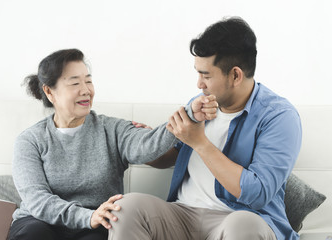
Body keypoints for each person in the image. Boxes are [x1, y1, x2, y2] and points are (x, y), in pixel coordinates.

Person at [108, 17, 302, 240]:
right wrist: (150, 142)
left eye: (206, 75)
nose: (199, 83)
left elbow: (257, 193)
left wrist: (199, 142)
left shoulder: (279, 116)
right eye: (198, 73)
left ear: (236, 75)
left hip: (240, 217)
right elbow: (171, 156)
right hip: (183, 214)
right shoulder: (202, 102)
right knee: (124, 208)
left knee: (243, 225)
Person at [7, 49, 184, 240]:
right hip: (40, 222)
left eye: (88, 81)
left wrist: (184, 119)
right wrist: (87, 216)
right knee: (33, 235)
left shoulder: (112, 129)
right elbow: (37, 201)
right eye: (75, 83)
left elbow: (145, 146)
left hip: (96, 224)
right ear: (49, 92)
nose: (86, 90)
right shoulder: (30, 140)